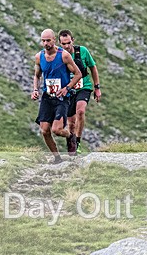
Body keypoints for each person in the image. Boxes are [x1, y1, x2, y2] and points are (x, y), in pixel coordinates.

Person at [32, 29, 82, 162]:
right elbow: (37, 75)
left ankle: (70, 135)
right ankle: (57, 158)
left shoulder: (64, 56)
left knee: (57, 130)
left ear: (54, 40)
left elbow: (78, 74)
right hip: (47, 97)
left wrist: (67, 88)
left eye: (48, 40)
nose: (46, 43)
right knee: (44, 131)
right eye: (43, 41)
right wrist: (35, 90)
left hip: (62, 98)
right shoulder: (39, 57)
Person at [58, 29, 101, 155]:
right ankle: (71, 146)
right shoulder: (59, 55)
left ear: (73, 40)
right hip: (68, 89)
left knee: (81, 111)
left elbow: (93, 67)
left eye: (68, 42)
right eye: (63, 44)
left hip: (84, 86)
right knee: (71, 122)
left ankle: (77, 141)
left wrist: (97, 87)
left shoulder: (82, 51)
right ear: (60, 43)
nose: (66, 46)